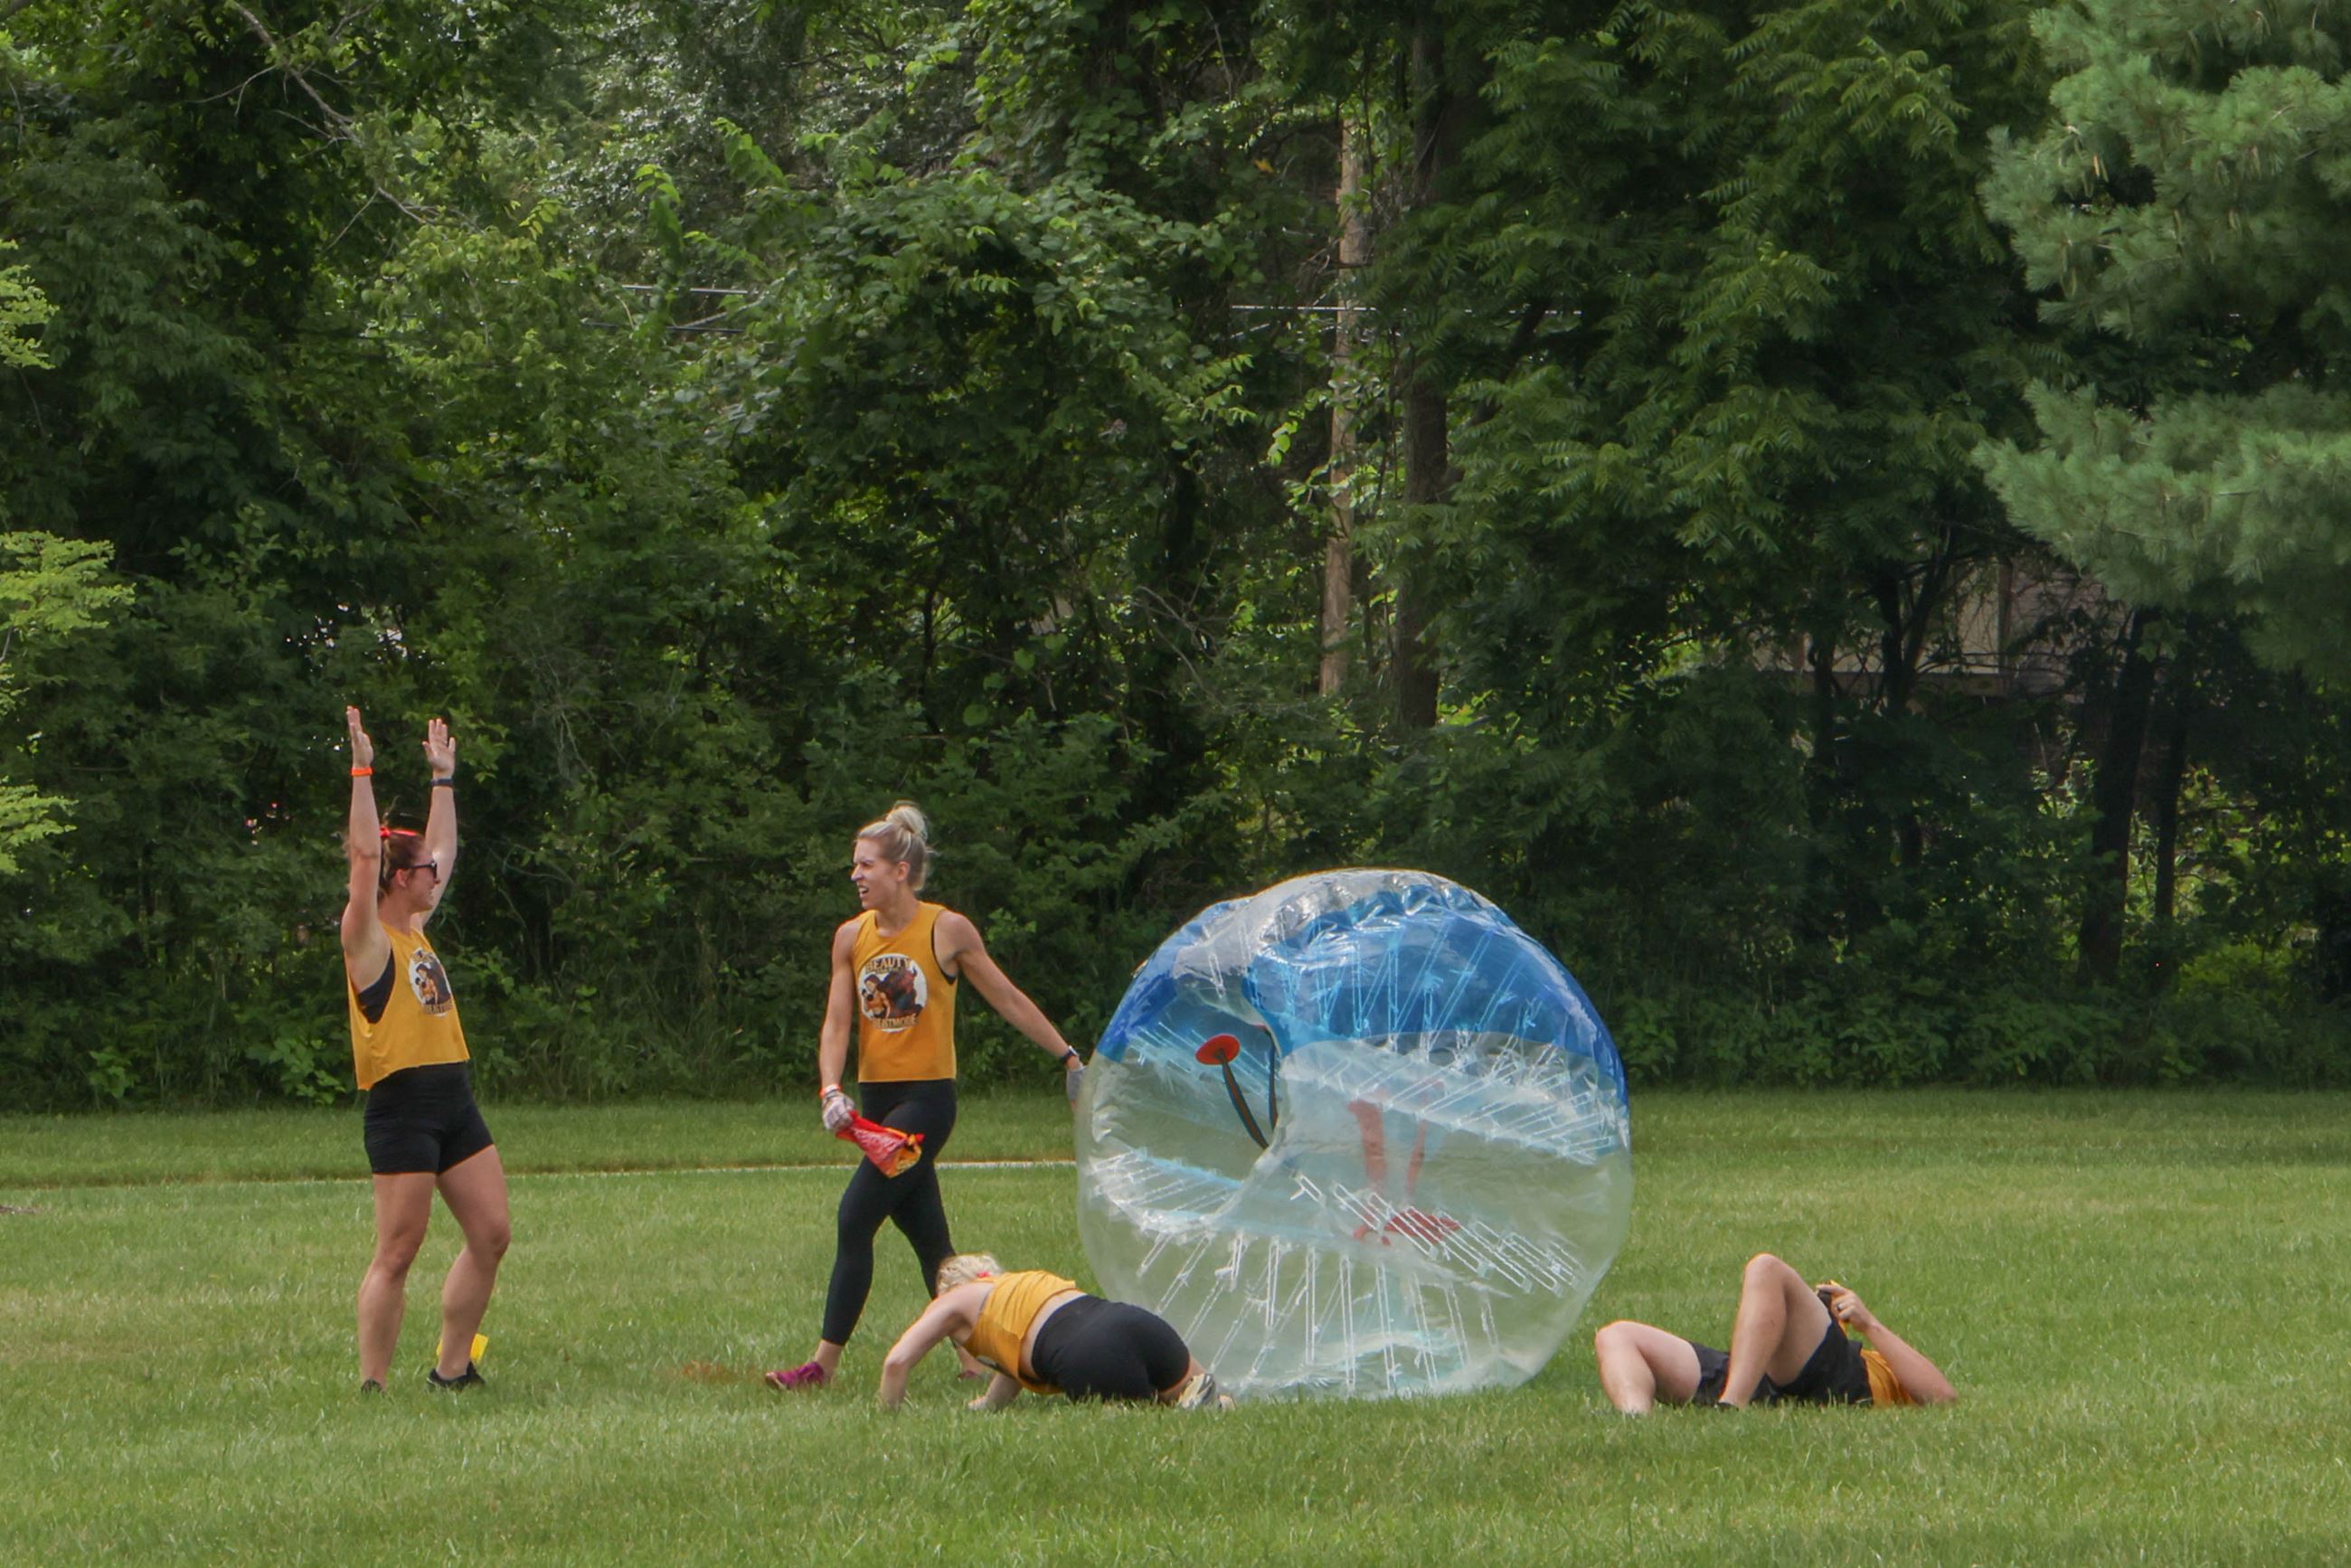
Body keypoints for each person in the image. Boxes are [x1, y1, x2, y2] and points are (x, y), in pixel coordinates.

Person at [765, 804, 1085, 1391]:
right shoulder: (849, 937)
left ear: (901, 871)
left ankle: (821, 1366)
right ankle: (977, 1356)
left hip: (926, 1108)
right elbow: (837, 1024)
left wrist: (1066, 1056)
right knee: (930, 1238)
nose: (855, 876)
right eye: (854, 865)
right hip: (877, 1103)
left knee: (855, 1216)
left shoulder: (946, 930)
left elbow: (1007, 998)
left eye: (866, 865)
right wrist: (830, 1088)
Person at [341, 706, 511, 1393]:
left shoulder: (416, 927)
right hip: (403, 1105)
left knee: (492, 1233)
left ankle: (452, 1369)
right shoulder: (368, 937)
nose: (435, 874)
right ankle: (373, 1385)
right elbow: (361, 855)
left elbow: (445, 849)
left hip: (453, 1098)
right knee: (399, 1251)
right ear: (396, 877)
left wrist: (444, 780)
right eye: (423, 870)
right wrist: (363, 770)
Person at [1592, 1252, 1955, 1414]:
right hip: (1759, 1378)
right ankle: (1636, 1419)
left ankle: (1730, 1407)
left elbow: (1943, 1397)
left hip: (1839, 1381)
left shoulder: (1877, 1364)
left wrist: (1870, 1324)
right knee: (1616, 1335)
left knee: (1766, 1268)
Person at [877, 1253, 1227, 1411]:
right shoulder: (1018, 1289)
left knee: (1143, 1424)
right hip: (1134, 1323)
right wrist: (987, 1404)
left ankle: (1194, 1409)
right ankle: (1214, 1403)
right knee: (1189, 1395)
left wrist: (888, 1416)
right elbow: (1012, 1360)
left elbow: (897, 1362)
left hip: (1090, 1352)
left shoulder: (952, 1301)